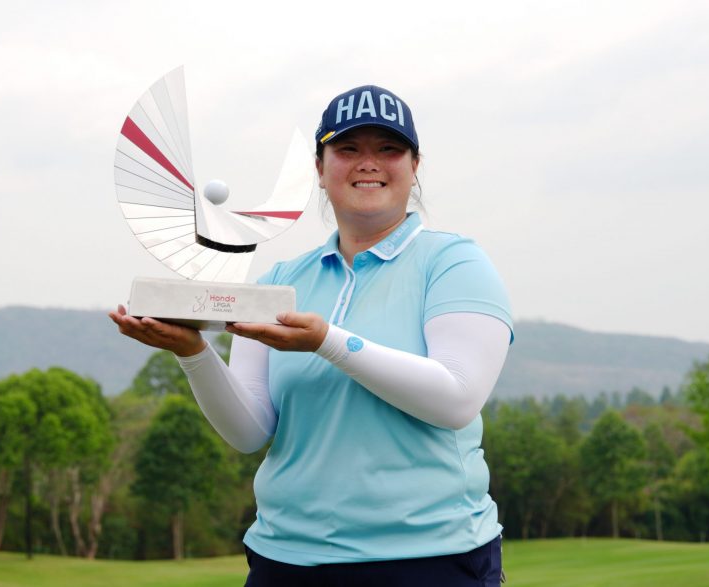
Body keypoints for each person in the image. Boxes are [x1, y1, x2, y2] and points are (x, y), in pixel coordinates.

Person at [110, 84, 513, 586]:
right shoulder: (282, 282)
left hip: (429, 558)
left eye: (388, 149)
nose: (368, 163)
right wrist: (194, 352)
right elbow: (250, 429)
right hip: (286, 560)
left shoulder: (454, 263)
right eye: (347, 149)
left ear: (415, 167)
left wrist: (328, 341)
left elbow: (455, 399)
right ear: (320, 170)